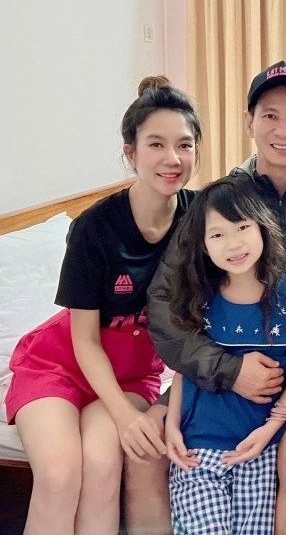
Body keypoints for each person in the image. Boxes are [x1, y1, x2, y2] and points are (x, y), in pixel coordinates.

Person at [145, 60, 286, 533]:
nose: (283, 130)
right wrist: (227, 369)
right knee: (150, 442)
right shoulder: (222, 200)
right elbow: (165, 301)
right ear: (249, 122)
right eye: (270, 115)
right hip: (221, 362)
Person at [4, 77, 201, 534]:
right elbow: (85, 339)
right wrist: (124, 415)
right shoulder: (95, 227)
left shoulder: (200, 218)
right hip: (62, 363)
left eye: (184, 145)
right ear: (131, 153)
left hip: (132, 373)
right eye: (156, 144)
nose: (172, 159)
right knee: (59, 474)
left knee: (103, 465)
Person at [161, 176, 286, 533]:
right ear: (203, 244)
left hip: (259, 449)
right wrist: (171, 426)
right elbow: (184, 367)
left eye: (242, 227)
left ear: (262, 226)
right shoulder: (197, 294)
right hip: (197, 449)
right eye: (217, 235)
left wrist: (272, 427)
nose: (233, 244)